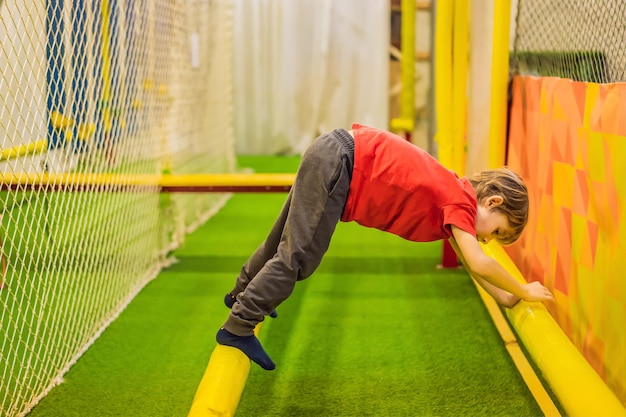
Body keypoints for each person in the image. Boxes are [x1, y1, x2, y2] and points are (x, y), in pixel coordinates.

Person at [216, 124, 554, 371]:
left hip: (333, 150)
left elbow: (472, 264)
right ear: (492, 201)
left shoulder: (456, 192)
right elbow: (480, 263)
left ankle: (240, 293)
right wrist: (523, 289)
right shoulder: (461, 203)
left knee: (281, 241)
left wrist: (506, 297)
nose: (485, 240)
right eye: (495, 231)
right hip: (340, 163)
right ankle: (240, 326)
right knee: (298, 257)